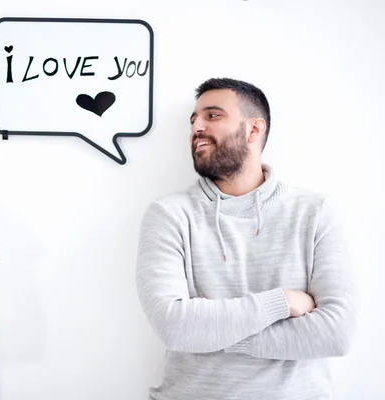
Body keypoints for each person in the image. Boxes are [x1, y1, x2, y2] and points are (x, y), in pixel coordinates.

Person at [136, 77, 358, 400]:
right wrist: (283, 302)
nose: (197, 126)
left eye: (212, 115)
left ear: (254, 130)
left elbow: (336, 334)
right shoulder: (169, 215)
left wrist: (211, 332)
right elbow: (174, 328)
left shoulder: (316, 212)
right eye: (193, 119)